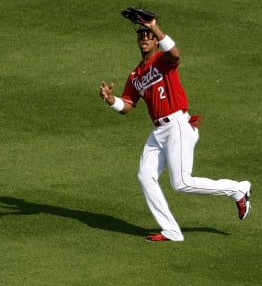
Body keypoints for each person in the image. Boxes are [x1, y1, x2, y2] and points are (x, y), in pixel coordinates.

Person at [99, 15, 251, 242]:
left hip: (178, 125)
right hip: (158, 131)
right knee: (145, 176)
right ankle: (170, 230)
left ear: (156, 42)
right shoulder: (135, 75)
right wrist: (111, 100)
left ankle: (237, 189)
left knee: (181, 183)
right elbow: (127, 107)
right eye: (141, 36)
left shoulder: (163, 60)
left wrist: (155, 27)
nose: (144, 39)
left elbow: (176, 54)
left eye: (149, 37)